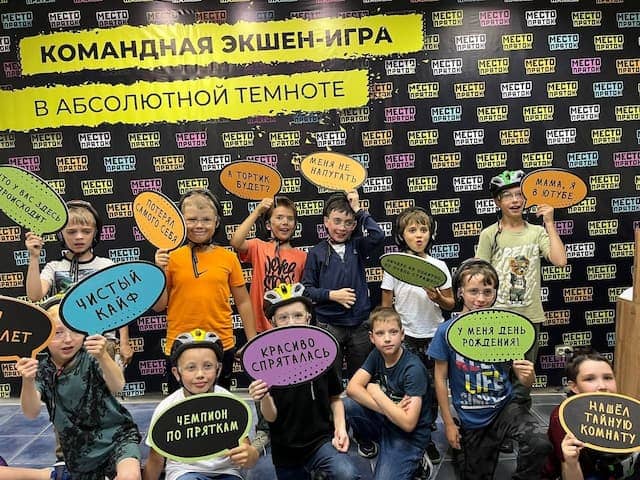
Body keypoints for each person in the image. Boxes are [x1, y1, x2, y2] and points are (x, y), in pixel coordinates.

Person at [427, 258, 551, 480]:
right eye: (473, 291)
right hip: (471, 416)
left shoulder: (505, 328)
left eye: (487, 291)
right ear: (460, 292)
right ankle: (463, 452)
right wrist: (448, 423)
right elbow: (440, 377)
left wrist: (528, 377)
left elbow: (525, 381)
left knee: (540, 443)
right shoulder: (446, 331)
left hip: (504, 408)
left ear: (495, 293)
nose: (480, 299)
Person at [16, 298, 142, 480]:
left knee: (130, 476)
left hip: (118, 438)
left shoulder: (92, 357)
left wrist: (103, 356)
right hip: (79, 455)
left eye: (74, 330)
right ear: (44, 336)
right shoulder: (43, 371)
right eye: (58, 333)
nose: (68, 339)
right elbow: (31, 412)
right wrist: (27, 381)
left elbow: (118, 385)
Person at [248, 283, 360, 480]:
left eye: (298, 315)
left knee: (347, 474)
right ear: (273, 322)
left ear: (308, 318)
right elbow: (270, 418)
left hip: (320, 442)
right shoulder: (264, 363)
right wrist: (264, 396)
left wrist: (340, 428)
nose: (291, 322)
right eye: (283, 317)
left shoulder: (322, 354)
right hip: (286, 449)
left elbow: (335, 399)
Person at [476, 170, 567, 406]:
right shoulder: (490, 234)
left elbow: (560, 260)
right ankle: (496, 421)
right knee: (495, 377)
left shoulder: (537, 232)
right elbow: (478, 278)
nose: (515, 200)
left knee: (523, 381)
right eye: (507, 195)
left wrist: (549, 223)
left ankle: (520, 420)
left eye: (519, 195)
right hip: (497, 318)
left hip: (529, 317)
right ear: (497, 201)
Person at [153, 189, 257, 389]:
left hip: (221, 344)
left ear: (216, 222)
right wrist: (159, 271)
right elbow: (159, 306)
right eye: (191, 220)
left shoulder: (228, 258)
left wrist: (252, 340)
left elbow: (243, 301)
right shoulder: (169, 258)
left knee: (219, 403)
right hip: (179, 344)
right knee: (181, 406)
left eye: (206, 220)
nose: (199, 225)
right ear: (180, 222)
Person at [381, 206, 454, 464]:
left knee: (433, 390)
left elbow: (450, 304)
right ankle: (411, 434)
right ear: (402, 236)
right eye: (412, 230)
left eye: (423, 229)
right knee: (411, 390)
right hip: (407, 337)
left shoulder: (439, 266)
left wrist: (438, 298)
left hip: (434, 337)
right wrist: (391, 337)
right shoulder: (394, 266)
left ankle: (427, 435)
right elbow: (386, 307)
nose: (419, 235)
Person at [25, 199, 133, 365]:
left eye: (86, 231)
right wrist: (33, 257)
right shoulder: (54, 267)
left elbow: (121, 307)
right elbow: (34, 295)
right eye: (71, 232)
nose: (79, 237)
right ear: (61, 234)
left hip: (101, 344)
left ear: (95, 233)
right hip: (65, 345)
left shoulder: (106, 266)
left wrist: (124, 342)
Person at [143, 329, 259, 480]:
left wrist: (250, 455)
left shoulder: (230, 403)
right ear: (177, 373)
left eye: (208, 366)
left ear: (218, 369)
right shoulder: (167, 408)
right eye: (191, 367)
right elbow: (155, 460)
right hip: (184, 472)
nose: (200, 374)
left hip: (226, 472)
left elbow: (248, 456)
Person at [302, 190, 384, 379]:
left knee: (362, 379)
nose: (341, 228)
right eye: (337, 221)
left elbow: (378, 235)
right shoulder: (316, 253)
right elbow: (306, 291)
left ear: (354, 225)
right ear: (326, 222)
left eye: (348, 223)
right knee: (331, 380)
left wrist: (358, 210)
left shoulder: (358, 246)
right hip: (329, 325)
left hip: (359, 325)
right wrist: (332, 295)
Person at [344, 306, 433, 480]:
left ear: (402, 334)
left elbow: (408, 423)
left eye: (393, 332)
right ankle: (375, 442)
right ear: (372, 338)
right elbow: (352, 388)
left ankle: (417, 459)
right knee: (348, 404)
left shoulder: (413, 369)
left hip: (409, 437)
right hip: (388, 421)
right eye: (380, 333)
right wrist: (391, 408)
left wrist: (376, 393)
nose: (387, 339)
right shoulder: (377, 354)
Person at [542, 350, 639, 480]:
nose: (602, 386)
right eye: (589, 379)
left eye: (608, 378)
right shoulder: (562, 419)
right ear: (574, 387)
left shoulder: (625, 411)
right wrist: (571, 462)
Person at [230, 196, 307, 334]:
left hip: (289, 325)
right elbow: (236, 242)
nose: (285, 222)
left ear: (295, 225)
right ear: (268, 225)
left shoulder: (302, 256)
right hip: (260, 326)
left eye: (290, 219)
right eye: (279, 217)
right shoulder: (258, 247)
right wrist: (257, 212)